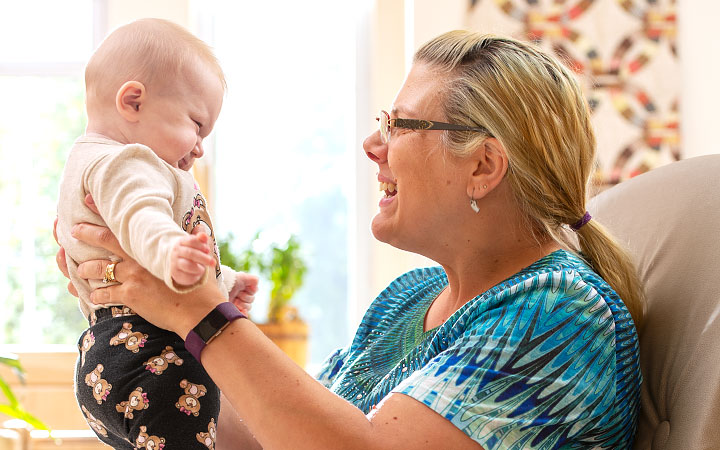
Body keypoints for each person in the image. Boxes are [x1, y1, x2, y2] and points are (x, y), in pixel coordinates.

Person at [57, 31, 643, 449]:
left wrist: (200, 311)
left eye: (399, 124)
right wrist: (142, 335)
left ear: (483, 166)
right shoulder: (405, 300)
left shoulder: (560, 313)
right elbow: (270, 437)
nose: (372, 143)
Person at [55, 18, 258, 449]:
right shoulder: (130, 162)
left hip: (114, 356)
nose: (201, 145)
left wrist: (221, 283)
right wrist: (171, 253)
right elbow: (143, 220)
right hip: (153, 355)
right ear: (133, 102)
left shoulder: (94, 159)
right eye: (197, 124)